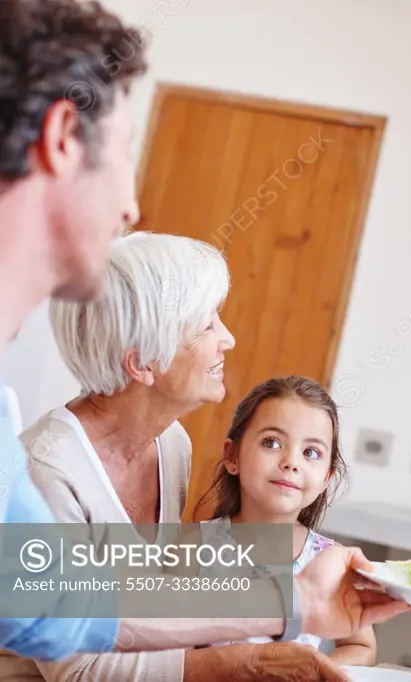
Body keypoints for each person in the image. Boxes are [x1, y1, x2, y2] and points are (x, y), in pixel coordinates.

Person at [0, 0, 410, 665]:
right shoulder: (45, 461)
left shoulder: (164, 443)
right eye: (125, 152)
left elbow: (56, 601)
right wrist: (250, 653)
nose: (131, 205)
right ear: (61, 137)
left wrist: (292, 603)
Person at [2, 232, 356, 681]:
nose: (226, 339)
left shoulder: (172, 443)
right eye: (207, 324)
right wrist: (243, 663)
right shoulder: (45, 471)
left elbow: (147, 605)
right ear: (143, 362)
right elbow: (79, 671)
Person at [196, 375, 377, 670]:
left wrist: (318, 671)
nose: (292, 462)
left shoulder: (331, 561)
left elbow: (360, 646)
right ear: (233, 456)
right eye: (272, 442)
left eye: (311, 452)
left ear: (326, 479)